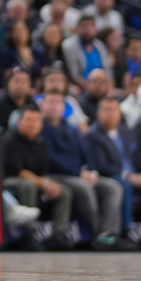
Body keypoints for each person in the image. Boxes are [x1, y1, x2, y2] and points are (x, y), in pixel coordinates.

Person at [38, 90, 128, 250]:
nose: (54, 106)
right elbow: (51, 159)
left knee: (113, 187)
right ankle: (98, 234)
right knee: (84, 186)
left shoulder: (71, 129)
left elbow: (84, 153)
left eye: (58, 103)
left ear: (63, 107)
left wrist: (91, 171)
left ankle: (110, 233)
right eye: (50, 102)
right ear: (42, 105)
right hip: (56, 175)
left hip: (78, 174)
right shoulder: (41, 130)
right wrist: (79, 174)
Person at [0, 102, 75, 250]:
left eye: (36, 120)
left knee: (63, 191)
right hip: (7, 182)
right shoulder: (9, 139)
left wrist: (49, 185)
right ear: (19, 121)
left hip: (34, 180)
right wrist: (44, 184)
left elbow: (43, 172)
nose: (32, 124)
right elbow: (19, 171)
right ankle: (28, 234)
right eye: (28, 120)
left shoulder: (41, 142)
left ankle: (59, 235)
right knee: (28, 185)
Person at [85, 97, 141, 246]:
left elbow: (138, 157)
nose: (111, 114)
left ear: (120, 113)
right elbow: (100, 166)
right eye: (106, 110)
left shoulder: (126, 131)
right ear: (98, 113)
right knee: (123, 184)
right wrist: (129, 177)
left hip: (135, 177)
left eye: (114, 110)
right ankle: (125, 232)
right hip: (113, 177)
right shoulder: (92, 135)